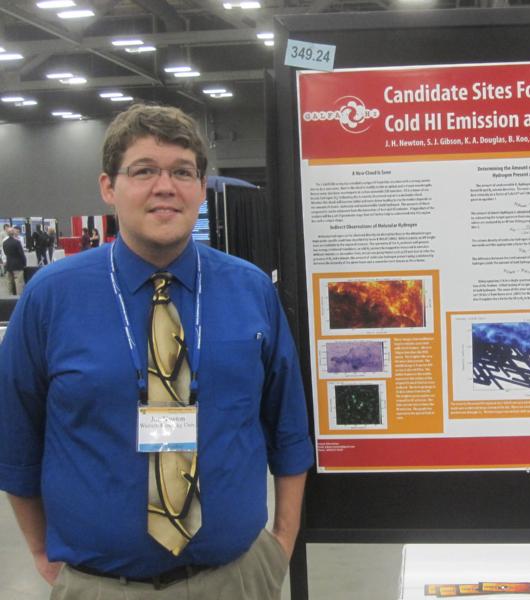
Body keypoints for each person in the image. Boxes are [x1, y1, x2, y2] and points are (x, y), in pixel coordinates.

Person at [0, 104, 313, 600]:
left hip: (237, 579)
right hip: (100, 586)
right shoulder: (51, 298)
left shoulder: (250, 290)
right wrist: (43, 554)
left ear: (201, 188)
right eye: (144, 171)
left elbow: (289, 427)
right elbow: (15, 441)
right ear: (109, 187)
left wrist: (281, 542)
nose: (165, 187)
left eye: (182, 172)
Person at [2, 226, 26, 295]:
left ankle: (10, 296)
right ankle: (19, 296)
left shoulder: (4, 242)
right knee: (19, 282)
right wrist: (24, 263)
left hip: (8, 264)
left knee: (10, 282)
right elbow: (21, 254)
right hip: (17, 264)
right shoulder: (17, 242)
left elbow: (5, 253)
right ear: (13, 233)